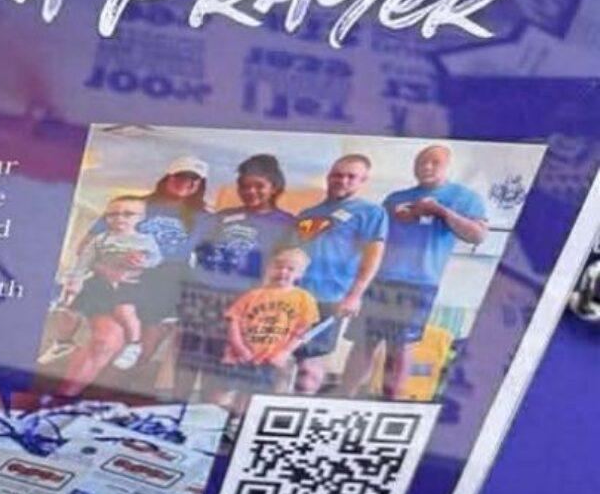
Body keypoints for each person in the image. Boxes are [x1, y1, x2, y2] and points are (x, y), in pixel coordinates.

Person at [342, 143, 488, 399]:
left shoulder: (464, 197)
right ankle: (344, 397)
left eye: (434, 162)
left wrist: (439, 211)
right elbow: (373, 238)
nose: (427, 167)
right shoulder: (396, 198)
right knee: (363, 342)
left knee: (400, 348)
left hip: (419, 283)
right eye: (421, 162)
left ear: (447, 166)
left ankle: (390, 405)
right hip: (380, 279)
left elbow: (477, 236)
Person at [178, 153, 297, 393]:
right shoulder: (223, 216)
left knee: (222, 371)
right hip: (202, 298)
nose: (250, 191)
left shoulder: (288, 224)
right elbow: (195, 250)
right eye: (244, 186)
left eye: (259, 186)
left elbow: (285, 267)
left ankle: (207, 422)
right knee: (187, 364)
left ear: (274, 187)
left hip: (243, 303)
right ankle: (172, 413)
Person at [290, 151, 388, 394]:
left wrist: (354, 295)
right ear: (328, 177)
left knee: (310, 365)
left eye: (351, 177)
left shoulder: (370, 213)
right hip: (295, 296)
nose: (342, 181)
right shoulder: (308, 214)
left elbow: (373, 256)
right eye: (337, 175)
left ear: (362, 181)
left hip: (330, 297)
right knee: (287, 358)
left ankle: (303, 417)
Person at [53, 193, 161, 399]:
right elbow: (84, 259)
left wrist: (143, 263)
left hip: (141, 287)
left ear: (141, 218)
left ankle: (133, 346)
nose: (119, 219)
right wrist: (76, 280)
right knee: (87, 328)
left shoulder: (146, 240)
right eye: (112, 215)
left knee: (121, 328)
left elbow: (156, 259)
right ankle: (63, 391)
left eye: (128, 215)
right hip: (102, 286)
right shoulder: (100, 239)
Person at [123, 158, 211, 396]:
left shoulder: (204, 217)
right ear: (168, 178)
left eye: (194, 180)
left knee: (149, 336)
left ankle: (125, 384)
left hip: (169, 278)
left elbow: (211, 256)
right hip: (128, 273)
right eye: (181, 176)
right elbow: (97, 239)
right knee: (115, 333)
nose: (187, 183)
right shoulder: (136, 204)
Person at [209, 244, 319, 412]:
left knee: (253, 396)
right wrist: (240, 348)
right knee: (222, 392)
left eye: (290, 269)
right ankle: (211, 420)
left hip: (269, 358)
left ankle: (238, 423)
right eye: (279, 267)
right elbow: (233, 322)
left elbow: (302, 332)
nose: (283, 272)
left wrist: (285, 352)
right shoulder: (253, 295)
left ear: (300, 274)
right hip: (238, 357)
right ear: (270, 268)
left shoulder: (304, 299)